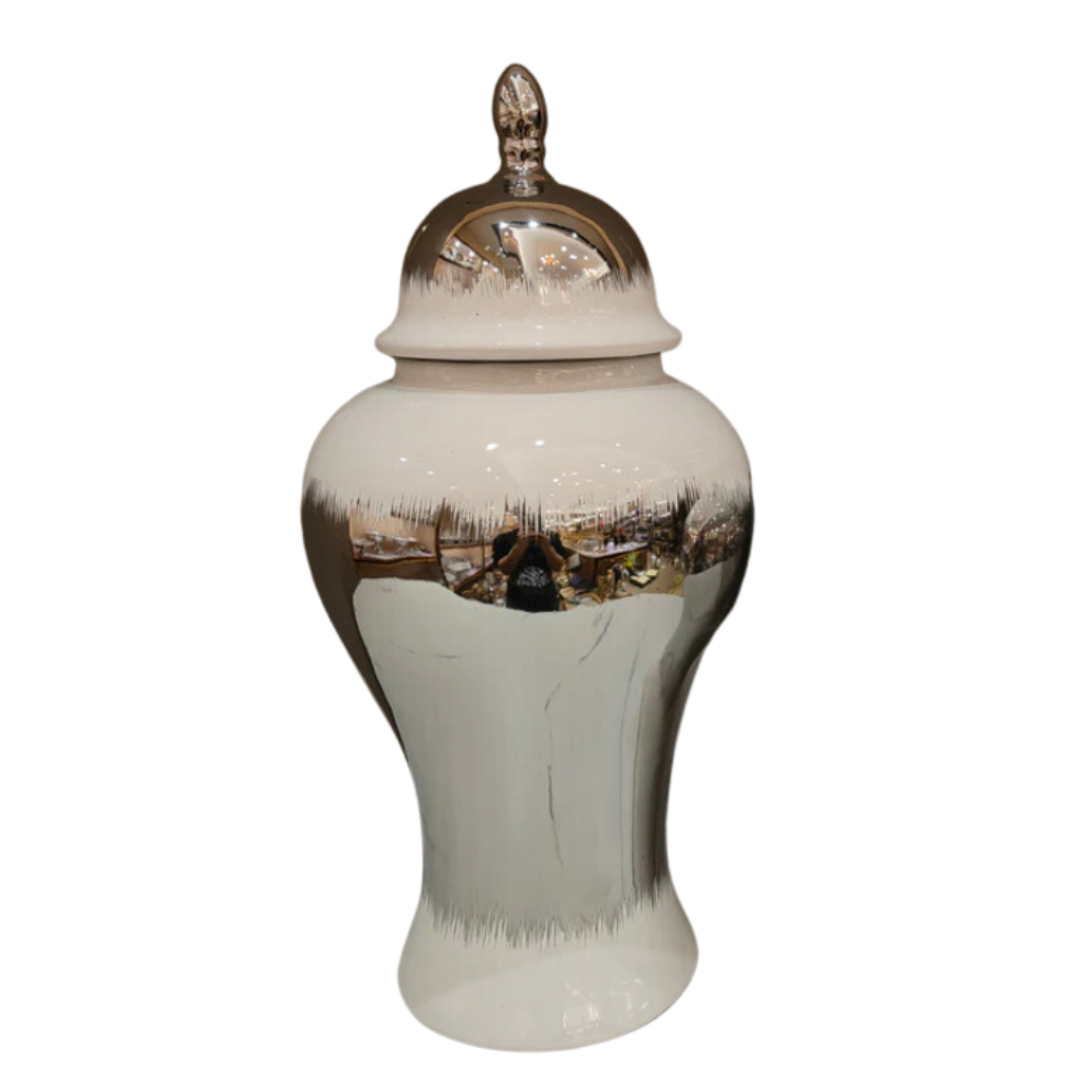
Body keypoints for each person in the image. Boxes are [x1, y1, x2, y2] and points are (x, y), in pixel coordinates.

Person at [492, 517, 568, 612]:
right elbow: (505, 570)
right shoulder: (505, 539)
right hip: (517, 598)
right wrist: (518, 547)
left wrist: (547, 547)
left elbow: (558, 567)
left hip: (547, 597)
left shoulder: (552, 537)